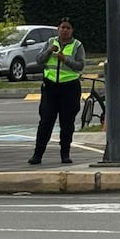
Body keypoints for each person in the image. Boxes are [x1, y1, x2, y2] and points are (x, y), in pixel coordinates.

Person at [28, 17, 86, 165]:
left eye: (68, 28)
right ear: (58, 28)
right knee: (46, 122)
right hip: (50, 87)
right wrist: (49, 51)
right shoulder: (50, 42)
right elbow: (39, 60)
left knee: (67, 123)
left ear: (72, 30)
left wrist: (64, 59)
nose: (64, 30)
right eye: (62, 27)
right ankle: (37, 154)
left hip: (70, 87)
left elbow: (80, 66)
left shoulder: (77, 45)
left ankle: (65, 154)